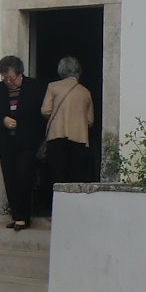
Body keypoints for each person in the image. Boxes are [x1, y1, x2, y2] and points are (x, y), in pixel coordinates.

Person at [0, 55, 46, 230]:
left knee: (23, 176)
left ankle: (24, 217)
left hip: (27, 141)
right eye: (5, 78)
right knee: (9, 178)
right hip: (6, 142)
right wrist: (3, 120)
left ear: (20, 74)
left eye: (11, 78)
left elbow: (41, 115)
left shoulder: (36, 87)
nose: (9, 82)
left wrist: (24, 124)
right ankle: (17, 215)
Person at [40, 56, 95, 191]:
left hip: (57, 137)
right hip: (79, 139)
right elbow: (90, 121)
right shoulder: (86, 92)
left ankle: (57, 208)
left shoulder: (53, 87)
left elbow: (45, 110)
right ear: (78, 71)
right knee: (75, 178)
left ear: (61, 71)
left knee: (57, 178)